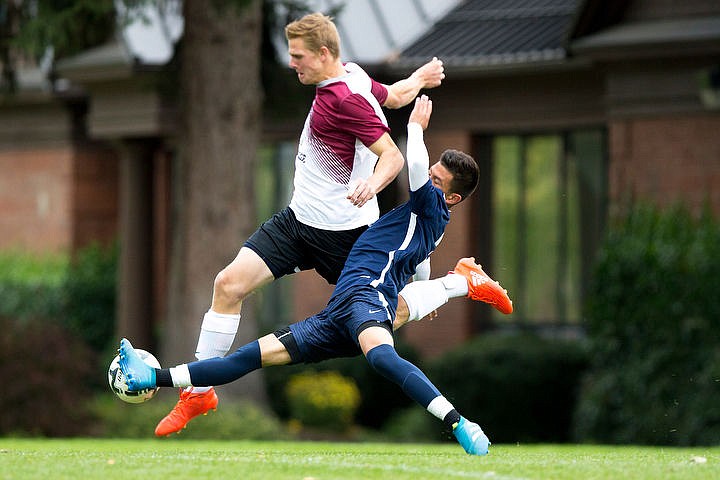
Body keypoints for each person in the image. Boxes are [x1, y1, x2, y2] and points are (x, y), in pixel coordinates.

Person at [119, 95, 513, 456]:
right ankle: (153, 376)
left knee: (382, 359)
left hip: (364, 296)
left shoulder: (429, 205)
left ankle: (458, 421)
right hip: (335, 313)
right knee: (249, 356)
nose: (428, 178)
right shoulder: (424, 220)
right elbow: (420, 261)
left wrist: (415, 127)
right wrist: (430, 290)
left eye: (437, 180)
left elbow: (409, 166)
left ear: (451, 199)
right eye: (432, 173)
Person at [154, 12, 448, 436]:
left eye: (298, 56)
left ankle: (453, 284)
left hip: (348, 238)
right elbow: (395, 96)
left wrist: (372, 184)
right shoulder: (352, 75)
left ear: (323, 53)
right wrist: (419, 78)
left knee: (390, 315)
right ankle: (199, 390)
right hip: (297, 224)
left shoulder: (345, 101)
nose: (292, 64)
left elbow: (393, 157)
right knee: (228, 284)